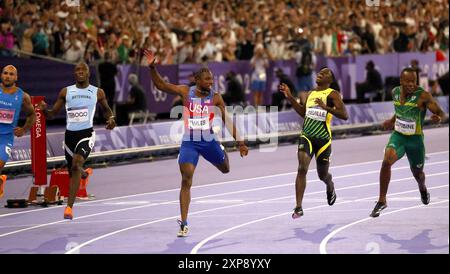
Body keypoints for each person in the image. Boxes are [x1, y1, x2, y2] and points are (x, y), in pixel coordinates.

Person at [144, 50, 249, 237]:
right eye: (207, 79)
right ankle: (184, 223)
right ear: (197, 80)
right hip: (190, 142)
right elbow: (160, 85)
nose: (211, 82)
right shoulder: (186, 92)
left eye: (212, 79)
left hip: (208, 140)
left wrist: (240, 142)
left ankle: (222, 150)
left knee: (225, 169)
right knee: (186, 179)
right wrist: (152, 68)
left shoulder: (216, 97)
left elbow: (227, 120)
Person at [39, 62, 116, 220]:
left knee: (76, 163)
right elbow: (52, 114)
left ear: (88, 73)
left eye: (83, 70)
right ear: (74, 74)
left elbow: (107, 110)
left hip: (86, 134)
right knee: (72, 171)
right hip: (69, 137)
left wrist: (111, 118)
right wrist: (44, 110)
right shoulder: (66, 91)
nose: (80, 72)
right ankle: (78, 184)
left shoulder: (97, 92)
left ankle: (71, 200)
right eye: (77, 70)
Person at [370, 67, 446, 218]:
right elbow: (400, 111)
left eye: (414, 81)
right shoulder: (395, 92)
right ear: (401, 81)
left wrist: (438, 118)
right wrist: (391, 121)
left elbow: (441, 113)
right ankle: (382, 200)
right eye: (408, 81)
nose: (411, 84)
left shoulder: (423, 96)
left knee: (418, 174)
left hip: (415, 141)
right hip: (398, 137)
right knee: (386, 161)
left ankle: (422, 188)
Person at [279, 67, 348, 218]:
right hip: (307, 136)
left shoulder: (332, 94)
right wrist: (290, 97)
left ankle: (330, 185)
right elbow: (304, 113)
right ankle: (298, 207)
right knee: (302, 168)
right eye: (319, 72)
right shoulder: (311, 93)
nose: (319, 74)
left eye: (324, 74)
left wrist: (326, 107)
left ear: (329, 80)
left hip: (323, 140)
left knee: (322, 175)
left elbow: (344, 115)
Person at [0, 65, 36, 198]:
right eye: (5, 73)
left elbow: (32, 115)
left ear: (16, 77)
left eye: (11, 74)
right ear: (1, 75)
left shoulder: (23, 96)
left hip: (5, 139)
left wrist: (24, 129)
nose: (7, 76)